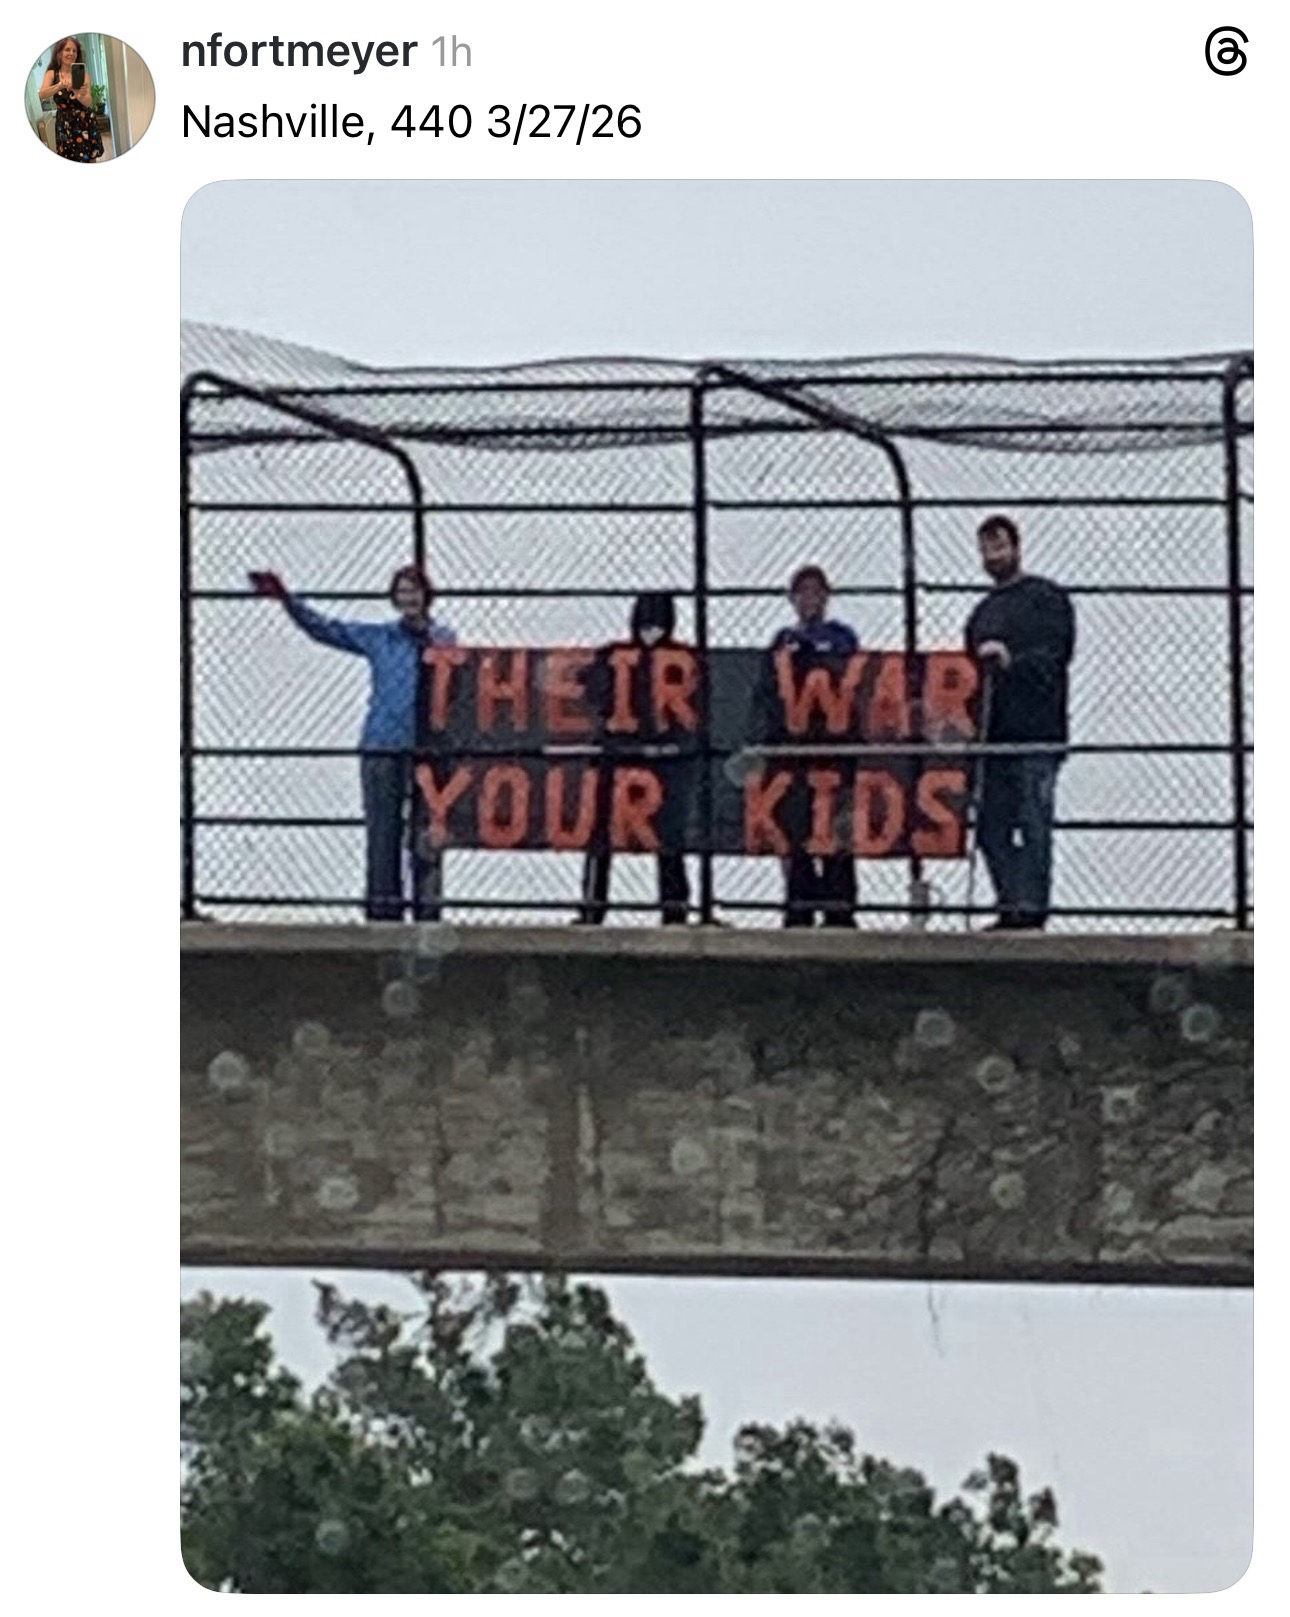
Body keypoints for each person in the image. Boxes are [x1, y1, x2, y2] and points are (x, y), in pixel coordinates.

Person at [248, 564, 456, 921]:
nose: (408, 598)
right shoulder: (380, 638)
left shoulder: (444, 641)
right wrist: (288, 600)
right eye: (402, 592)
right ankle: (383, 913)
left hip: (428, 749)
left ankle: (427, 912)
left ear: (427, 596)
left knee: (427, 835)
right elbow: (327, 629)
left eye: (414, 591)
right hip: (383, 745)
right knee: (382, 834)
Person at [964, 515, 1076, 931]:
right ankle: (1010, 901)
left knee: (1033, 821)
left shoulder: (1046, 598)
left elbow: (1056, 656)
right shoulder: (982, 613)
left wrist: (1014, 661)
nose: (993, 555)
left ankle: (1031, 908)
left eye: (999, 545)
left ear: (1016, 546)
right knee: (990, 825)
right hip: (992, 736)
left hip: (1037, 732)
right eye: (986, 549)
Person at [577, 592, 693, 925]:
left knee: (666, 836)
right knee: (607, 833)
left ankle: (668, 907)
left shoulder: (677, 659)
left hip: (650, 759)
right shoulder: (618, 656)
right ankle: (667, 909)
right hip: (624, 758)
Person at [763, 564, 860, 927]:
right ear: (792, 599)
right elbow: (769, 693)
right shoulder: (782, 640)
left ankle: (839, 909)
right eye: (802, 592)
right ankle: (799, 906)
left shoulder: (842, 637)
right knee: (796, 831)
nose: (809, 599)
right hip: (795, 755)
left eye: (816, 592)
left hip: (834, 752)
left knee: (837, 834)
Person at [40, 39, 103, 163]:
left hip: (85, 121)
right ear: (59, 53)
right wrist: (59, 85)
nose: (71, 53)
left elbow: (88, 102)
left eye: (74, 51)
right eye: (67, 50)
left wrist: (78, 93)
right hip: (65, 124)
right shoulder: (52, 74)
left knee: (90, 158)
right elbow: (42, 94)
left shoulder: (84, 75)